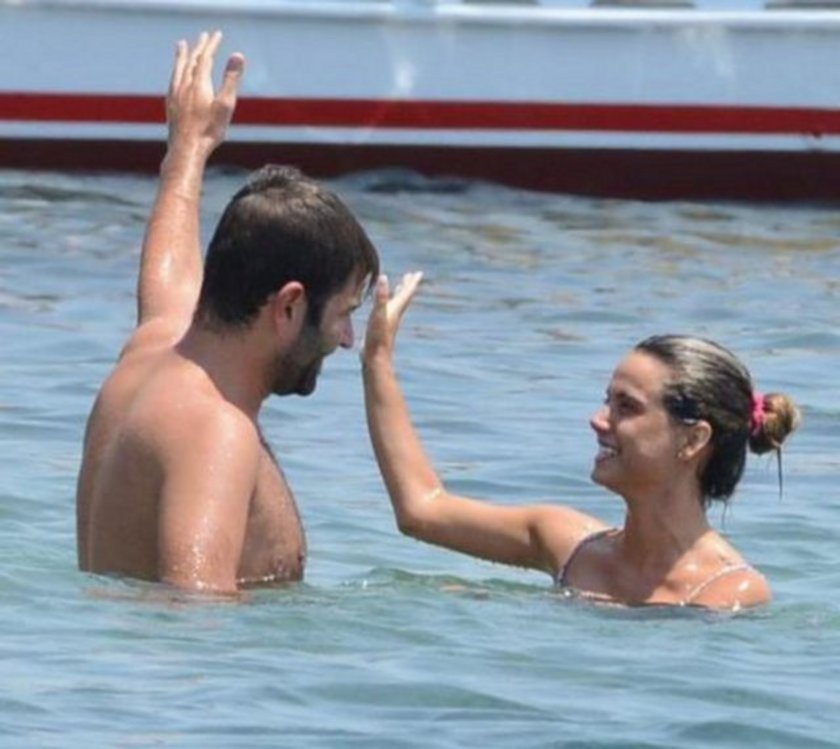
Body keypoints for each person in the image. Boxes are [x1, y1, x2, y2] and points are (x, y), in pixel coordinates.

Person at [76, 31, 379, 595]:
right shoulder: (215, 431)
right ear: (289, 305)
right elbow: (195, 617)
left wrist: (187, 151)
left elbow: (168, 276)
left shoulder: (153, 351)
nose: (346, 338)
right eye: (344, 312)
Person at [362, 273, 800, 610]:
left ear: (692, 439)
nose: (597, 420)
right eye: (607, 401)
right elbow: (422, 511)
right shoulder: (570, 546)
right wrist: (377, 360)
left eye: (627, 406)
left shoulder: (730, 593)